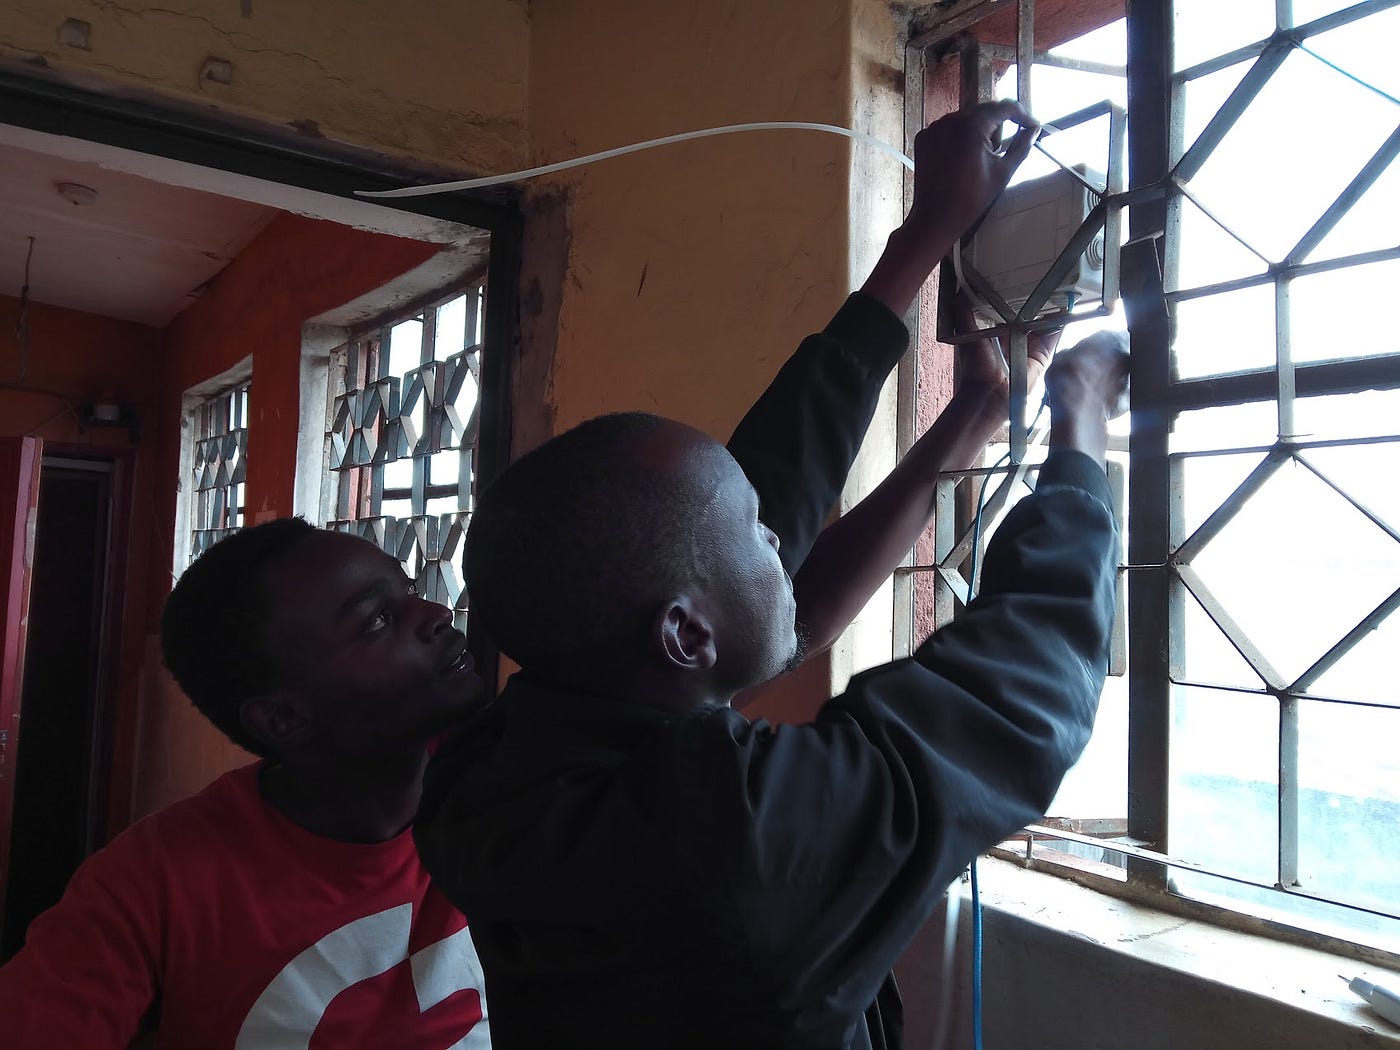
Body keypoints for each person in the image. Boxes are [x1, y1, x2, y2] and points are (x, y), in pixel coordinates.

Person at [0, 100, 1039, 1048]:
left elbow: (760, 560)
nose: (427, 613)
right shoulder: (157, 888)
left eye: (403, 587)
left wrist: (935, 317)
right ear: (281, 716)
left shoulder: (532, 752)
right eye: (373, 622)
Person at [411, 318, 1128, 1044]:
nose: (782, 540)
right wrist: (1082, 419)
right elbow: (1015, 692)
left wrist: (975, 405)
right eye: (758, 531)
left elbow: (721, 532)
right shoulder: (733, 841)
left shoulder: (482, 776)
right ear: (687, 636)